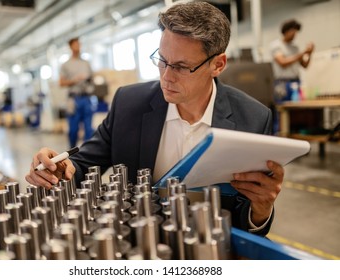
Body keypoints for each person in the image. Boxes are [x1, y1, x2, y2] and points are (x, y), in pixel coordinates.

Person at [26, 1, 284, 236]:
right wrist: (58, 169)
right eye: (162, 60)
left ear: (217, 64)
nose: (166, 76)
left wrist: (261, 211)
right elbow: (81, 165)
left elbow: (246, 217)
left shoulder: (252, 119)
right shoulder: (129, 104)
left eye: (182, 67)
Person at [59, 37, 95, 148]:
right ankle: (72, 153)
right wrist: (75, 80)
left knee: (89, 128)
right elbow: (61, 83)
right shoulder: (66, 65)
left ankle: (88, 152)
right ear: (70, 47)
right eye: (75, 45)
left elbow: (92, 79)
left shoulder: (86, 63)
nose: (78, 47)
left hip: (86, 99)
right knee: (73, 129)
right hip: (74, 100)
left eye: (79, 44)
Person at [270, 19, 314, 103]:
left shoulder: (295, 48)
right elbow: (283, 62)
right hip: (282, 83)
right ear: (286, 31)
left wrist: (309, 53)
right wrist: (303, 53)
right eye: (293, 31)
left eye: (296, 32)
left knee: (296, 109)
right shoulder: (276, 45)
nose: (295, 34)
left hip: (296, 82)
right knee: (282, 108)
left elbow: (304, 65)